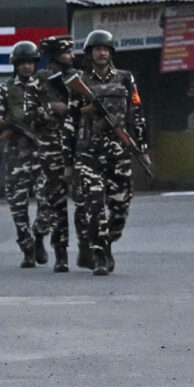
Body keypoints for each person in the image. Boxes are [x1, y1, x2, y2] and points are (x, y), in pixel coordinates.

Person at [69, 30, 150, 277]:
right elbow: (70, 119)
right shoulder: (79, 81)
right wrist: (68, 159)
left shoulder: (126, 79)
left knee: (120, 207)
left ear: (111, 52)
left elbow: (136, 112)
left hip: (118, 151)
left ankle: (102, 241)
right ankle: (100, 255)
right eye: (97, 49)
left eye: (105, 49)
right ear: (90, 53)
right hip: (88, 152)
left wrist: (142, 148)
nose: (101, 53)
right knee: (94, 203)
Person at [0, 41, 48, 267]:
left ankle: (39, 234)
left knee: (47, 201)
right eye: (22, 63)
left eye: (30, 62)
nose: (27, 67)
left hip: (41, 154)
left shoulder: (43, 87)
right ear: (15, 65)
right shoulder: (4, 89)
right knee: (18, 208)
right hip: (15, 155)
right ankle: (27, 249)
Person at [36, 36, 77, 273]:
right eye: (66, 52)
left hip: (78, 145)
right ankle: (60, 252)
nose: (71, 55)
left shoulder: (78, 78)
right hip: (52, 147)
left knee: (85, 201)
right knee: (56, 203)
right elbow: (26, 113)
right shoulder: (39, 82)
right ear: (54, 55)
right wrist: (50, 108)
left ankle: (90, 250)